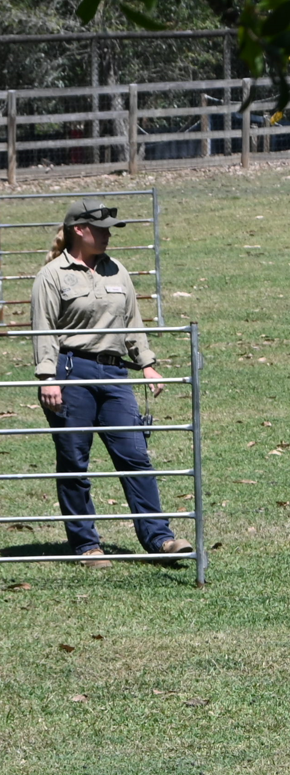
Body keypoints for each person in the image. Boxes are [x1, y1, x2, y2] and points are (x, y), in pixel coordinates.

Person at [31, 199, 190, 568]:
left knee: (135, 456)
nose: (106, 236)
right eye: (99, 229)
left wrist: (147, 364)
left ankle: (161, 539)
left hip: (115, 374)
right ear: (78, 230)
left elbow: (132, 321)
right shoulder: (53, 275)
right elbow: (43, 330)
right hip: (71, 373)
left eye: (108, 229)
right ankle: (87, 545)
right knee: (74, 461)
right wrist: (48, 376)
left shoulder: (117, 271)